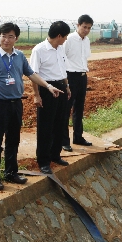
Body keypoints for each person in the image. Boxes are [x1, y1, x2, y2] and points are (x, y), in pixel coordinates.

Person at [0, 23, 63, 189]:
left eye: (10, 36)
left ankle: (11, 172)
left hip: (15, 103)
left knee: (13, 140)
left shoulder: (19, 57)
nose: (6, 40)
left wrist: (48, 86)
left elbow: (31, 74)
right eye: (3, 35)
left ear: (16, 38)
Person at [30, 21, 71, 174]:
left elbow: (63, 69)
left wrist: (66, 87)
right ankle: (43, 160)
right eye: (65, 36)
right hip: (47, 89)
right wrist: (37, 95)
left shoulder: (60, 49)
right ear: (59, 36)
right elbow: (33, 74)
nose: (66, 39)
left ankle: (55, 155)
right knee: (46, 126)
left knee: (60, 123)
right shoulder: (39, 50)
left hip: (60, 87)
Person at [62, 15, 94, 151]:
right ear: (78, 25)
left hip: (82, 76)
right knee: (66, 109)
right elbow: (61, 58)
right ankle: (64, 141)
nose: (86, 30)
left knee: (79, 108)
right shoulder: (68, 40)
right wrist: (65, 80)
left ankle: (78, 137)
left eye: (89, 28)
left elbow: (84, 58)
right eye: (84, 27)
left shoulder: (86, 41)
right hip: (70, 76)